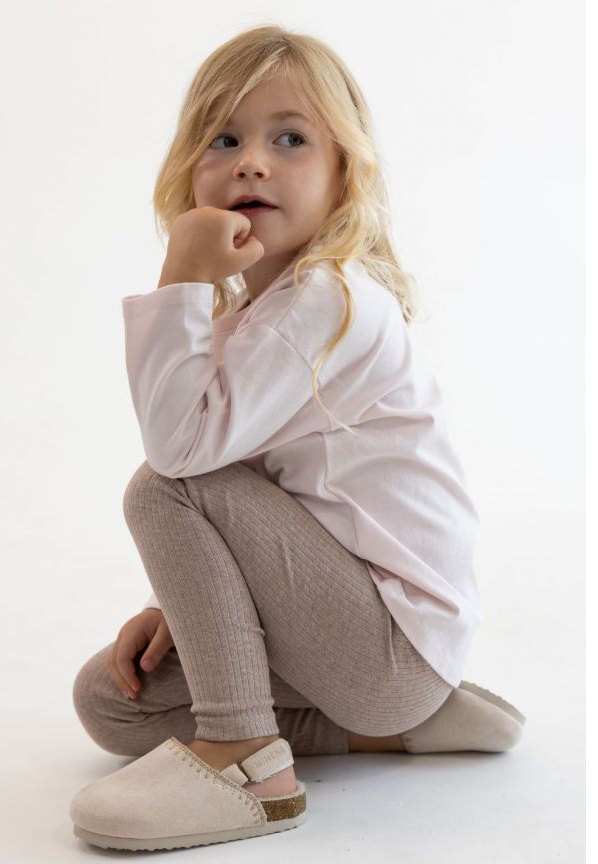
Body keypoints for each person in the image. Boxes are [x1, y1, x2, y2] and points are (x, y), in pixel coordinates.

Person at [69, 24, 526, 851]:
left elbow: (182, 459)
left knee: (160, 486)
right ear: (190, 172)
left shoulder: (326, 297)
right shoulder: (258, 315)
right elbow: (249, 484)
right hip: (350, 636)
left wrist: (181, 277)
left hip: (386, 640)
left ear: (344, 174)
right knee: (109, 702)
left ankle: (247, 762)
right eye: (224, 139)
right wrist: (169, 605)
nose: (251, 162)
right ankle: (395, 730)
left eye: (289, 139)